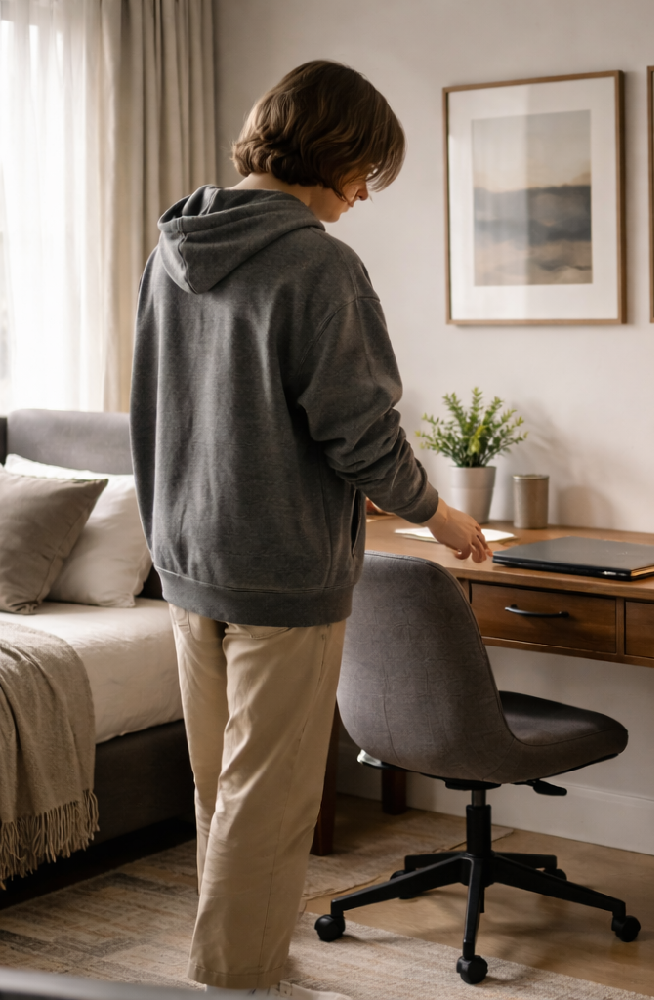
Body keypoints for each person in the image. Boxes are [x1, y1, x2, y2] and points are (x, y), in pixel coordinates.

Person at [130, 60, 489, 995]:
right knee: (271, 797)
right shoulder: (319, 263)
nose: (364, 195)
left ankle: (232, 961)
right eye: (366, 170)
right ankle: (239, 979)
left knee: (224, 788)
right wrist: (439, 514)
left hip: (185, 554)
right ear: (334, 154)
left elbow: (171, 406)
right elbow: (360, 431)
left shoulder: (172, 247)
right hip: (281, 571)